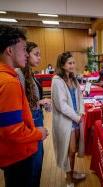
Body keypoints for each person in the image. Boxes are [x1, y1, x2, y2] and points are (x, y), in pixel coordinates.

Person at [0, 25, 48, 187]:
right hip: (19, 155)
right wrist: (38, 133)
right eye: (23, 49)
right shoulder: (9, 82)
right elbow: (13, 131)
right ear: (10, 51)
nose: (26, 54)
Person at [16, 41, 51, 187]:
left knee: (37, 165)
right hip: (31, 122)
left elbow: (31, 100)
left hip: (37, 118)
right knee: (33, 167)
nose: (39, 58)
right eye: (36, 54)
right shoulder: (20, 74)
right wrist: (39, 103)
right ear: (26, 54)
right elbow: (21, 105)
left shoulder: (31, 74)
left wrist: (42, 103)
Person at [51, 52, 85, 187]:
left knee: (74, 150)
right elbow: (61, 105)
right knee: (69, 150)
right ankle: (68, 177)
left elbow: (80, 97)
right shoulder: (57, 81)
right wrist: (77, 118)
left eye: (73, 63)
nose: (72, 65)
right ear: (62, 65)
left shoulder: (73, 79)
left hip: (76, 119)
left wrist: (81, 112)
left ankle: (72, 172)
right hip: (67, 121)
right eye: (69, 63)